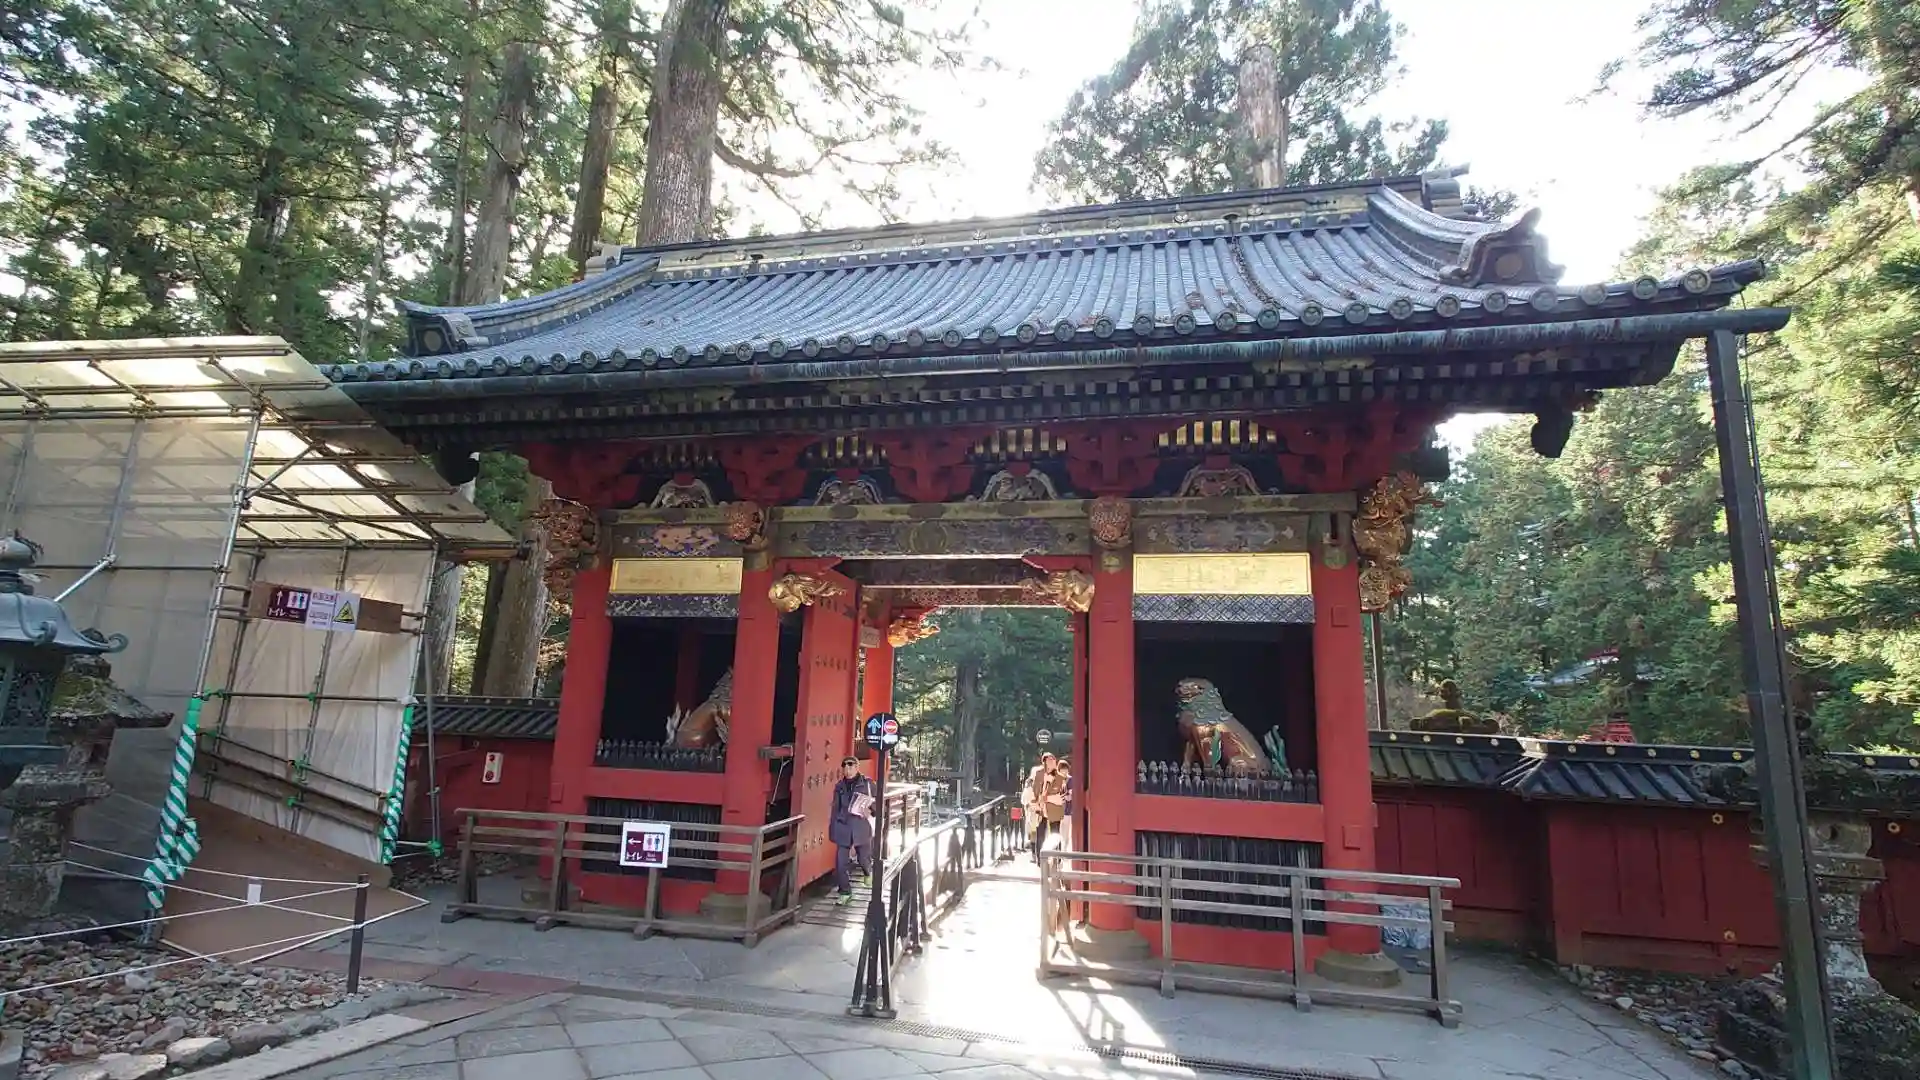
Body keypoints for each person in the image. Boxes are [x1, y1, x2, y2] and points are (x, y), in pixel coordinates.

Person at [829, 756, 876, 904]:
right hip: (843, 826)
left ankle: (868, 872)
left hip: (861, 826)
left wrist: (871, 811)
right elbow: (835, 809)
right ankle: (845, 892)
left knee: (863, 859)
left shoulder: (867, 783)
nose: (848, 771)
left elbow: (878, 802)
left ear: (857, 768)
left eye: (851, 767)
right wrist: (832, 828)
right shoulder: (839, 786)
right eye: (845, 768)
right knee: (840, 862)